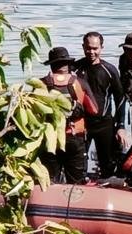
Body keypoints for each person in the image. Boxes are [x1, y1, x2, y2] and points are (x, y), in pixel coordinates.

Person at [39, 47, 99, 184]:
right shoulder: (79, 83)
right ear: (68, 64)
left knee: (50, 180)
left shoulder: (41, 84)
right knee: (76, 182)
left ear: (52, 65)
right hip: (74, 138)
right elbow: (95, 110)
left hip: (50, 138)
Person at [74, 31, 127, 178]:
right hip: (82, 123)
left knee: (108, 165)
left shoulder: (109, 70)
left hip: (104, 124)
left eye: (95, 48)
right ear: (83, 47)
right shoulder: (75, 69)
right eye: (88, 48)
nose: (91, 52)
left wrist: (121, 127)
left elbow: (120, 99)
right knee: (78, 164)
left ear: (101, 48)